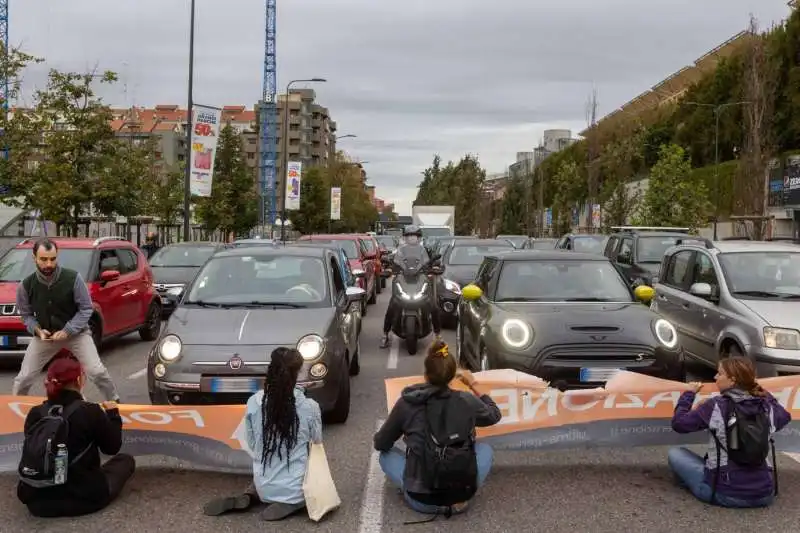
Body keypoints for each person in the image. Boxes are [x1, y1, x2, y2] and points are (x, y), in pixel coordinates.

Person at [373, 339, 501, 517]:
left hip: (421, 500)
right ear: (452, 376)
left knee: (385, 455)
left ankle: (413, 487)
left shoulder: (408, 403)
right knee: (484, 448)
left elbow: (381, 443)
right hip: (461, 497)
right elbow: (494, 415)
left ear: (425, 374)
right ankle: (457, 493)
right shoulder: (466, 400)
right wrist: (473, 384)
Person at [203, 347, 322, 521]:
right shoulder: (310, 407)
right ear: (297, 373)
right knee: (304, 480)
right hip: (295, 489)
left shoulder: (254, 402)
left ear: (271, 371)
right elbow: (317, 443)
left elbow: (252, 444)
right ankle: (290, 503)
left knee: (265, 470)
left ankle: (251, 495)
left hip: (263, 485)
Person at [17, 354, 135, 517]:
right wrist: (113, 414)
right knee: (125, 460)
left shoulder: (35, 413)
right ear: (79, 381)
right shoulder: (90, 411)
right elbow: (112, 447)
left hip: (37, 503)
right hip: (84, 499)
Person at [669, 356, 791, 508]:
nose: (715, 377)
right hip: (764, 494)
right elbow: (785, 416)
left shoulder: (715, 406)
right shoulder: (766, 405)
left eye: (719, 374)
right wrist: (757, 388)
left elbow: (679, 424)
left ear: (732, 380)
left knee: (675, 453)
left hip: (725, 494)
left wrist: (689, 394)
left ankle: (699, 485)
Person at [12, 238, 120, 402]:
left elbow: (86, 308)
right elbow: (26, 315)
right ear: (34, 258)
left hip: (77, 335)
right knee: (24, 377)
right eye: (43, 259)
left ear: (57, 256)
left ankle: (115, 403)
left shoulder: (73, 279)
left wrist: (68, 330)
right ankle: (14, 407)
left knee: (97, 372)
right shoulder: (26, 285)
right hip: (45, 337)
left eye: (52, 259)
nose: (48, 264)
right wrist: (37, 330)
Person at [380, 225, 442, 349]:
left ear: (419, 238)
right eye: (409, 236)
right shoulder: (401, 251)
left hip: (420, 278)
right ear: (405, 238)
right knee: (392, 306)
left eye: (414, 236)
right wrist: (390, 268)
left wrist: (433, 267)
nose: (412, 239)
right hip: (404, 278)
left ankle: (437, 335)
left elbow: (428, 262)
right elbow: (395, 262)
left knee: (434, 307)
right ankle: (385, 334)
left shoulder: (423, 250)